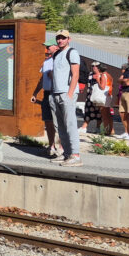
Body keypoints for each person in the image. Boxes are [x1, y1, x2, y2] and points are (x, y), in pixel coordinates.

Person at [49, 29, 82, 166]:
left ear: (69, 39)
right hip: (56, 93)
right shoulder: (57, 54)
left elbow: (75, 74)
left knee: (70, 124)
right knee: (60, 126)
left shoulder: (72, 52)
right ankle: (67, 153)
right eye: (58, 38)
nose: (60, 40)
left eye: (63, 38)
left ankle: (76, 155)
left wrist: (69, 94)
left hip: (66, 93)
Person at [30, 42, 61, 157]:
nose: (47, 48)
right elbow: (42, 79)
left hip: (57, 93)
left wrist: (53, 75)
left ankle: (62, 147)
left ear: (56, 47)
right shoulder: (46, 62)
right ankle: (51, 146)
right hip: (47, 93)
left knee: (59, 122)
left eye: (49, 46)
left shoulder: (61, 60)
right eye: (46, 46)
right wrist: (35, 93)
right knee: (48, 121)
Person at [90, 62, 115, 135]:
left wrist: (98, 80)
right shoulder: (109, 75)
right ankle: (111, 130)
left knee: (104, 114)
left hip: (104, 96)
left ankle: (105, 130)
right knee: (108, 114)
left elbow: (102, 87)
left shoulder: (103, 75)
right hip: (109, 94)